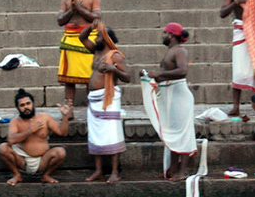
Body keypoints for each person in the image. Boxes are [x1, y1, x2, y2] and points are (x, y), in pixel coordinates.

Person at [140, 22, 197, 180]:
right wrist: (151, 76)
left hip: (179, 97)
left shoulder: (180, 50)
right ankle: (172, 169)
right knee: (173, 132)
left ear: (171, 35)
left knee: (183, 133)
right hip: (170, 96)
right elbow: (166, 73)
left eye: (165, 32)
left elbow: (183, 71)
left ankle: (182, 171)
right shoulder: (171, 51)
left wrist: (158, 73)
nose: (163, 35)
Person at [79, 20, 130, 183]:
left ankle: (115, 172)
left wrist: (114, 69)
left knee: (112, 134)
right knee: (95, 135)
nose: (95, 39)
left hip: (109, 99)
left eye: (99, 36)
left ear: (107, 38)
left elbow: (128, 77)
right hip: (94, 99)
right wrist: (92, 27)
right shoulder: (96, 51)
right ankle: (99, 171)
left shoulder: (115, 56)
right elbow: (82, 37)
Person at [0, 88, 72, 185]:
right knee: (3, 148)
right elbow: (11, 140)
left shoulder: (45, 118)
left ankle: (46, 175)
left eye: (28, 103)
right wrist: (30, 131)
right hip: (22, 160)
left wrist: (65, 116)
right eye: (22, 105)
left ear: (33, 104)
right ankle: (17, 175)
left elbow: (62, 133)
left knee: (61, 152)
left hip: (43, 160)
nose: (26, 107)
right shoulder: (15, 122)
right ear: (18, 108)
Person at [57, 0, 101, 110]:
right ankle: (68, 109)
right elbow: (60, 20)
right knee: (69, 79)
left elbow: (97, 17)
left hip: (87, 39)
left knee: (89, 76)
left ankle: (92, 107)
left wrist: (80, 9)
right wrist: (72, 9)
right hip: (70, 39)